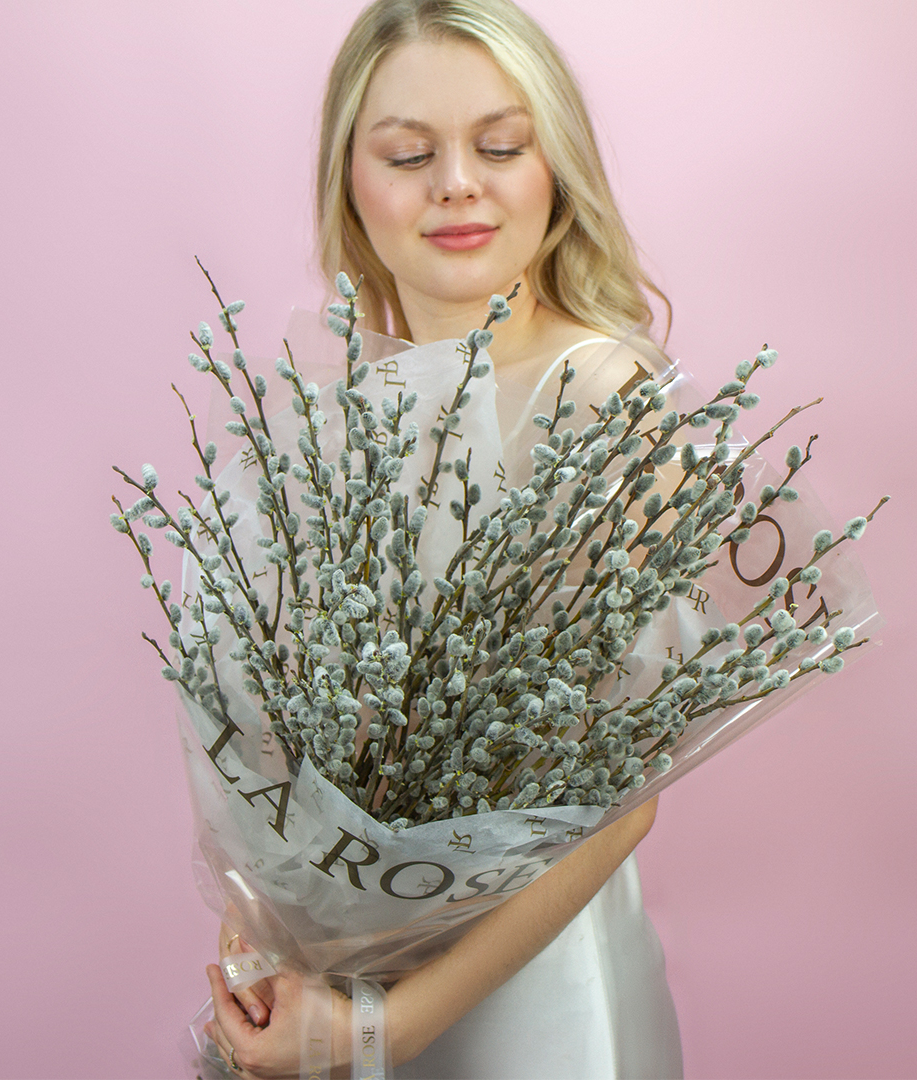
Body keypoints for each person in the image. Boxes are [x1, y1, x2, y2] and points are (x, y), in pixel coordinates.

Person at [203, 1, 683, 1075]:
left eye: (500, 146)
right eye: (410, 155)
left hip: (539, 1008)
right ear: (350, 183)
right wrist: (265, 931)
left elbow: (617, 805)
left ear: (556, 167)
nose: (457, 183)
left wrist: (390, 1029)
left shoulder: (607, 399)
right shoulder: (335, 416)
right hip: (342, 979)